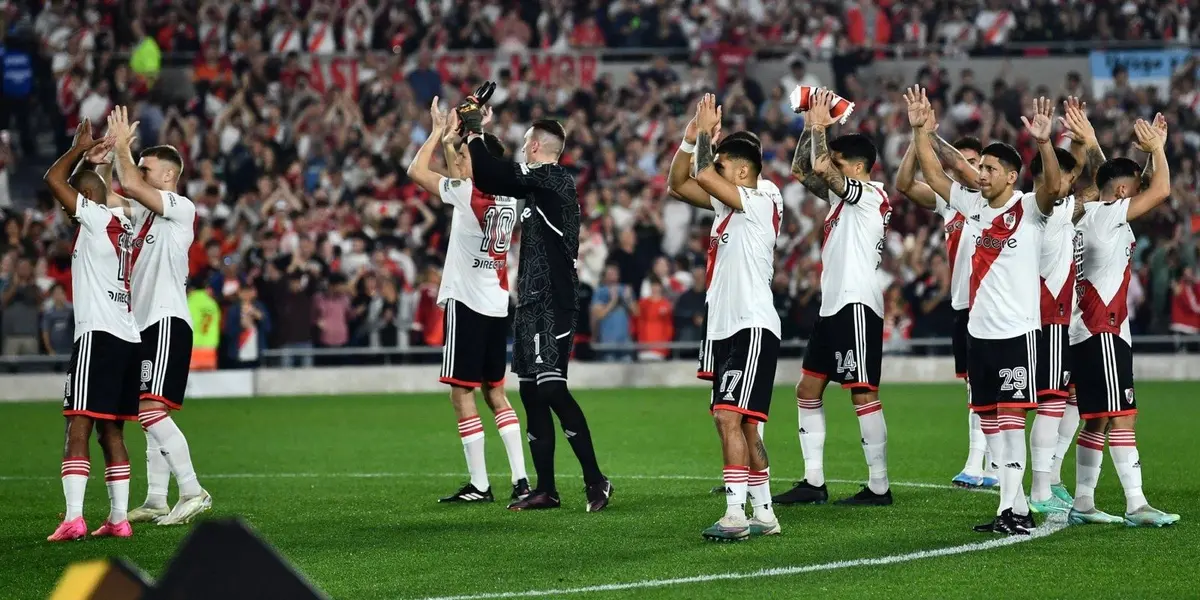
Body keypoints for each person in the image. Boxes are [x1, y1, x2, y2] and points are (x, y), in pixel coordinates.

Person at [910, 87, 1061, 535]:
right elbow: (936, 176)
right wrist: (921, 132)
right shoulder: (973, 204)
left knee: (1012, 420)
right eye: (981, 168)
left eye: (990, 169)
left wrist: (1046, 143)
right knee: (990, 419)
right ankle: (1010, 506)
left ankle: (1014, 509)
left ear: (1012, 176)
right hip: (980, 332)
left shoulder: (1029, 209)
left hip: (1017, 332)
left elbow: (1052, 185)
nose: (981, 174)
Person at [462, 84, 613, 512]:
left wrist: (474, 130)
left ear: (535, 146)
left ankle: (596, 479)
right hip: (529, 302)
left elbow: (492, 174)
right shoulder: (534, 190)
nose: (523, 149)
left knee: (550, 388)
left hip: (555, 301)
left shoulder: (553, 178)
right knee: (530, 393)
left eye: (525, 143)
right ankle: (546, 488)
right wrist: (471, 132)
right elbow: (486, 176)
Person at [406, 97, 530, 504]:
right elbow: (462, 165)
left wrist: (438, 131)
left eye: (464, 158)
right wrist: (459, 136)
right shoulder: (509, 197)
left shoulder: (465, 193)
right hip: (497, 301)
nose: (459, 162)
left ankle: (479, 484)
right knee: (496, 392)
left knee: (462, 393)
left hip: (468, 302)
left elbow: (415, 171)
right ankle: (520, 479)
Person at [1060, 104, 1179, 527]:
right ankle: (1136, 503)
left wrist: (1092, 139)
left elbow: (1115, 176)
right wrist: (1160, 150)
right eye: (1135, 186)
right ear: (1124, 192)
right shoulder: (1110, 216)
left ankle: (1084, 503)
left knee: (1095, 418)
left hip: (1084, 329)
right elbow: (1161, 190)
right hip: (1103, 329)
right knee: (1121, 415)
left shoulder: (1091, 215)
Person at [774, 89, 893, 507]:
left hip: (857, 303)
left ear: (857, 167)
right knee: (807, 389)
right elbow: (801, 169)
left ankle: (879, 486)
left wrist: (822, 125)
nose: (832, 167)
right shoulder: (843, 200)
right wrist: (811, 125)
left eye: (841, 162)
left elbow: (823, 166)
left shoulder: (870, 196)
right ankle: (814, 481)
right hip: (833, 306)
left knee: (862, 393)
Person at [106, 106, 212, 526]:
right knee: (144, 410)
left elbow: (129, 182)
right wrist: (106, 156)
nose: (141, 175)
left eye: (149, 168)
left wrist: (122, 151)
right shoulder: (146, 216)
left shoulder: (178, 207)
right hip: (143, 324)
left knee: (151, 409)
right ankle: (156, 499)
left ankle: (192, 490)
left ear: (168, 176)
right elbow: (111, 193)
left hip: (166, 320)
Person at [44, 120, 140, 541]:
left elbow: (53, 179)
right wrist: (94, 163)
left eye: (72, 203)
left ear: (82, 200)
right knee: (112, 429)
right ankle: (119, 519)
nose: (67, 209)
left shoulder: (93, 219)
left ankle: (74, 517)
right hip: (128, 337)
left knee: (77, 424)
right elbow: (94, 190)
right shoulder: (122, 222)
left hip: (97, 335)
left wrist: (78, 150)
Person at [895, 132, 1000, 489]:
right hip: (961, 302)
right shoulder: (950, 202)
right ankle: (991, 465)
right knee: (974, 385)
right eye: (965, 162)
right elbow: (905, 183)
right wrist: (916, 137)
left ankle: (980, 463)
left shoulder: (998, 202)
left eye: (977, 163)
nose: (970, 170)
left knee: (990, 385)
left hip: (991, 301)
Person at [1026, 133, 1081, 515]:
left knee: (1071, 398)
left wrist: (1079, 140)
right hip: (1047, 318)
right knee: (1050, 403)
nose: (1072, 184)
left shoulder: (1058, 204)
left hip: (1063, 317)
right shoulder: (1041, 210)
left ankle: (1053, 476)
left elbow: (1076, 178)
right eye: (1064, 178)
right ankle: (1040, 487)